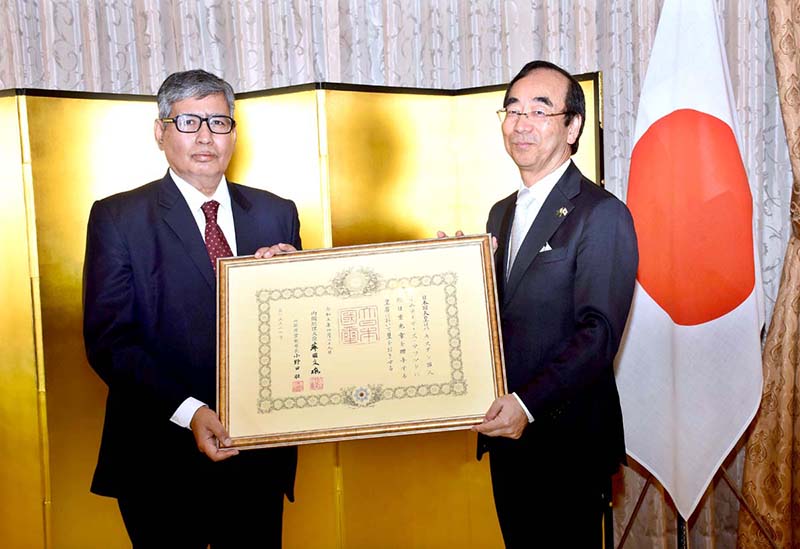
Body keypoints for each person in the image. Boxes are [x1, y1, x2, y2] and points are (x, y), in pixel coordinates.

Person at [83, 69, 299, 548]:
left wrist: (298, 282)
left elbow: (299, 334)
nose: (205, 137)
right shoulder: (118, 217)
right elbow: (110, 341)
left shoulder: (275, 212)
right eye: (188, 123)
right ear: (160, 132)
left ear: (235, 133)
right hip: (158, 458)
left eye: (219, 123)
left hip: (257, 456)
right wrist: (191, 411)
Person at [473, 60, 638, 547]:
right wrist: (459, 277)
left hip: (566, 444)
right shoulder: (500, 212)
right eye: (512, 109)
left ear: (573, 126)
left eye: (540, 111)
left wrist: (527, 404)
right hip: (506, 435)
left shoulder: (601, 213)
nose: (521, 123)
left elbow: (598, 332)